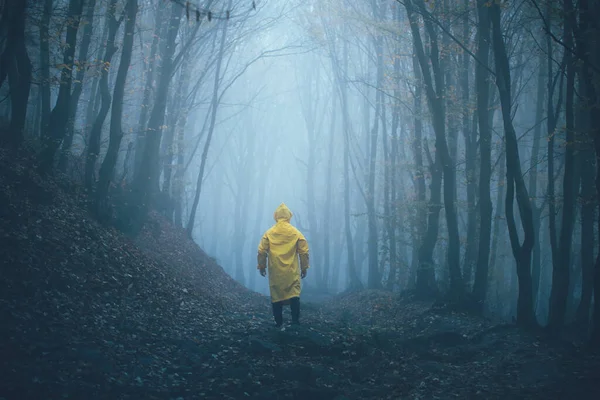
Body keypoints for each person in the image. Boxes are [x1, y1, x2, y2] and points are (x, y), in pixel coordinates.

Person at [257, 203, 310, 327]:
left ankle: (278, 323)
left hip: (275, 271)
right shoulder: (296, 233)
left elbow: (261, 251)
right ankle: (295, 322)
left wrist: (262, 266)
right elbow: (304, 251)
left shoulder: (269, 233)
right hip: (292, 271)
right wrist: (304, 267)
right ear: (289, 216)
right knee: (294, 294)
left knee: (276, 295)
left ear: (276, 216)